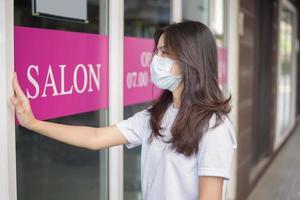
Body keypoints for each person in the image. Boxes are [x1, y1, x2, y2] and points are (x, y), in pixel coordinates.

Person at [10, 20, 237, 200]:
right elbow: (96, 137)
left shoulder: (213, 126)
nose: (156, 59)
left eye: (165, 53)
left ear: (191, 59)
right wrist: (32, 122)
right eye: (157, 52)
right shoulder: (157, 115)